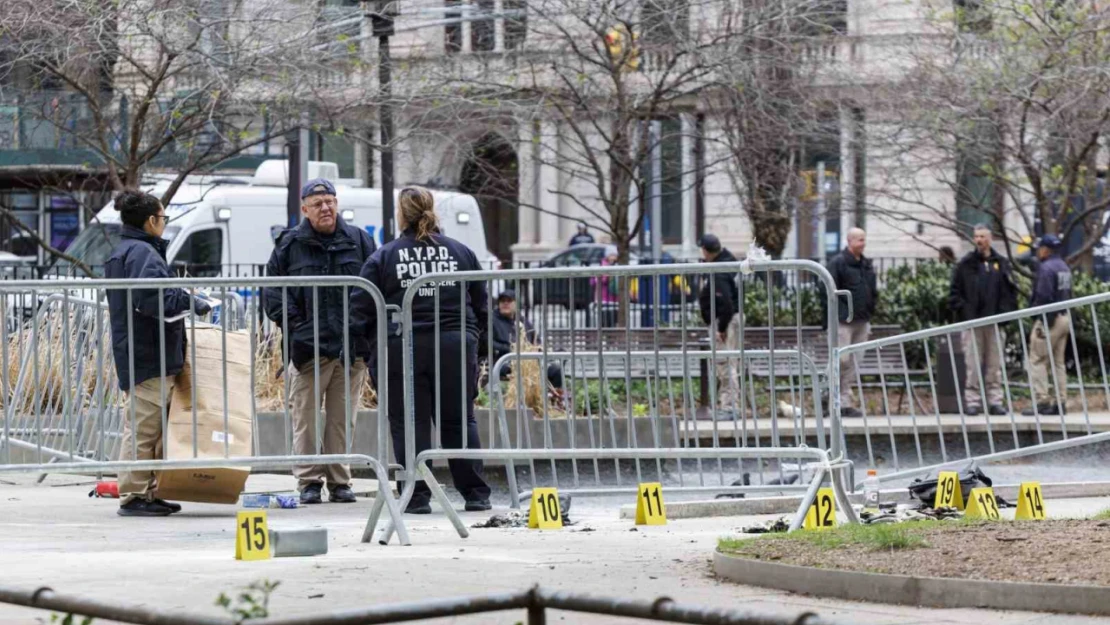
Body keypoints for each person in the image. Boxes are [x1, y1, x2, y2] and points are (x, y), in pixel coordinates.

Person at [352, 186, 492, 514]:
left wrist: (368, 350)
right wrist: (480, 346)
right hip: (456, 345)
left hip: (404, 347)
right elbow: (481, 304)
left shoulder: (385, 256)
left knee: (408, 422)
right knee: (459, 419)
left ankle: (415, 497)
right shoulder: (461, 252)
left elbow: (359, 308)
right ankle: (475, 494)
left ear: (401, 215)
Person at [263, 178, 377, 505]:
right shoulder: (289, 245)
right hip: (308, 350)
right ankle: (309, 482)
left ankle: (340, 482)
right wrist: (298, 327)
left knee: (342, 420)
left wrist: (361, 327)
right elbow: (272, 292)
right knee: (306, 419)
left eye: (330, 201)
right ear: (305, 209)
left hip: (349, 348)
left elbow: (373, 289)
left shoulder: (359, 241)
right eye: (318, 204)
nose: (326, 208)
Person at [105, 190, 211, 517]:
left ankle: (145, 492)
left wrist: (179, 295)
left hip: (141, 350)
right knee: (144, 429)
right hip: (149, 353)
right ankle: (134, 494)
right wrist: (190, 302)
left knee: (147, 428)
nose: (164, 224)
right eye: (163, 218)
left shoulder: (127, 251)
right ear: (151, 221)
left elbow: (152, 294)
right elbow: (153, 299)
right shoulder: (143, 254)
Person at [948, 225, 1017, 416]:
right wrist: (964, 311)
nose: (979, 240)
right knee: (972, 364)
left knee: (994, 365)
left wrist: (1004, 314)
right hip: (972, 322)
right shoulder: (965, 264)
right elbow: (954, 292)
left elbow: (1010, 291)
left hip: (995, 321)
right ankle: (972, 401)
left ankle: (995, 401)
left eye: (982, 236)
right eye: (976, 236)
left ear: (990, 238)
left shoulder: (1001, 263)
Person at [828, 227, 878, 417]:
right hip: (842, 321)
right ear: (849, 241)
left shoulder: (866, 264)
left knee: (854, 362)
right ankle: (832, 398)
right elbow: (827, 288)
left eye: (864, 239)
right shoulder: (838, 263)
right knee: (841, 360)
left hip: (862, 319)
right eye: (859, 240)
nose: (863, 243)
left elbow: (871, 288)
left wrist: (870, 307)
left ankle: (844, 401)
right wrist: (840, 311)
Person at [1024, 235, 1073, 416]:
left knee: (1038, 359)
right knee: (1058, 363)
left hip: (1049, 319)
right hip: (1064, 317)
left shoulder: (1046, 268)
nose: (1038, 251)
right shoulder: (1064, 266)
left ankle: (1042, 401)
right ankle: (1061, 402)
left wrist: (1041, 320)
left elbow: (1043, 296)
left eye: (1040, 248)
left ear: (1046, 249)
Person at [696, 234, 740, 418]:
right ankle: (730, 406)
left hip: (724, 321)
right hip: (726, 320)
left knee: (725, 364)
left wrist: (720, 328)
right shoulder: (725, 263)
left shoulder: (720, 271)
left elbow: (727, 304)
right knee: (728, 363)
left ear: (706, 250)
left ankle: (730, 408)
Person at [489, 289, 564, 397]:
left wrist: (537, 349)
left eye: (509, 300)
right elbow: (489, 344)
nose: (505, 303)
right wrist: (511, 349)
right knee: (518, 371)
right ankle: (520, 401)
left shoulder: (522, 320)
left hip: (529, 362)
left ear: (516, 304)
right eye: (502, 301)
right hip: (504, 361)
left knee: (555, 370)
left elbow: (536, 340)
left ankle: (551, 400)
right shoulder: (492, 320)